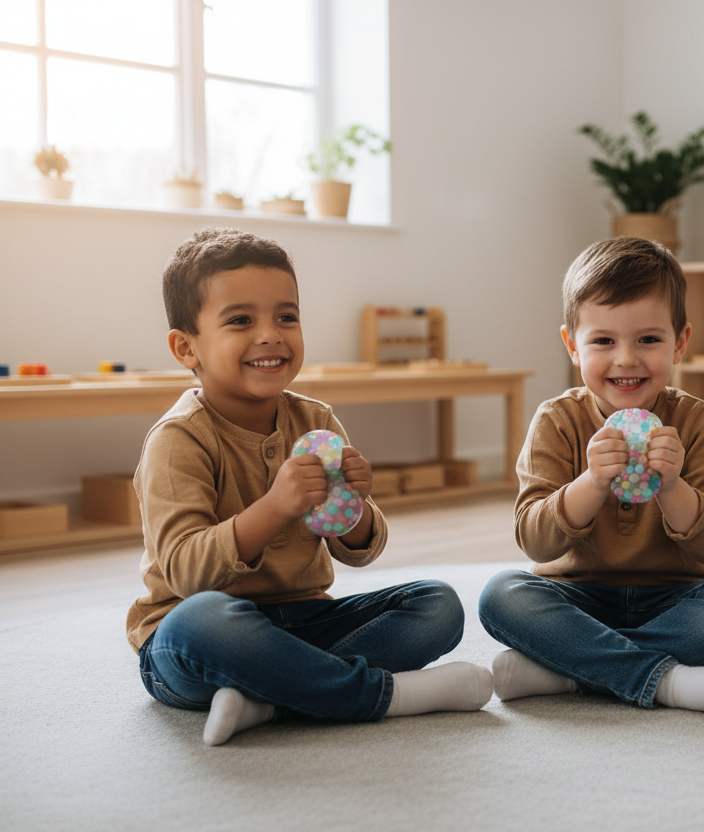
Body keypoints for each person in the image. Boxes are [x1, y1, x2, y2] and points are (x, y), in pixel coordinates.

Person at [127, 228, 492, 746]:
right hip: (202, 640)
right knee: (198, 623)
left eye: (286, 317)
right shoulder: (178, 440)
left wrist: (356, 508)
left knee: (437, 605)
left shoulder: (316, 419)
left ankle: (273, 700)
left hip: (305, 619)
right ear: (187, 347)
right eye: (240, 321)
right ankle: (386, 696)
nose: (271, 334)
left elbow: (358, 552)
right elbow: (186, 573)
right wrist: (276, 506)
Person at [478, 236, 704, 719]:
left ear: (680, 342)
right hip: (576, 598)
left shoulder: (698, 421)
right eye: (603, 341)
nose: (626, 359)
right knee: (501, 596)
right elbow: (535, 543)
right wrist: (591, 483)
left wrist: (674, 486)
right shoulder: (556, 420)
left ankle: (571, 671)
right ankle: (668, 681)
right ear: (572, 345)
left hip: (677, 598)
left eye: (649, 340)